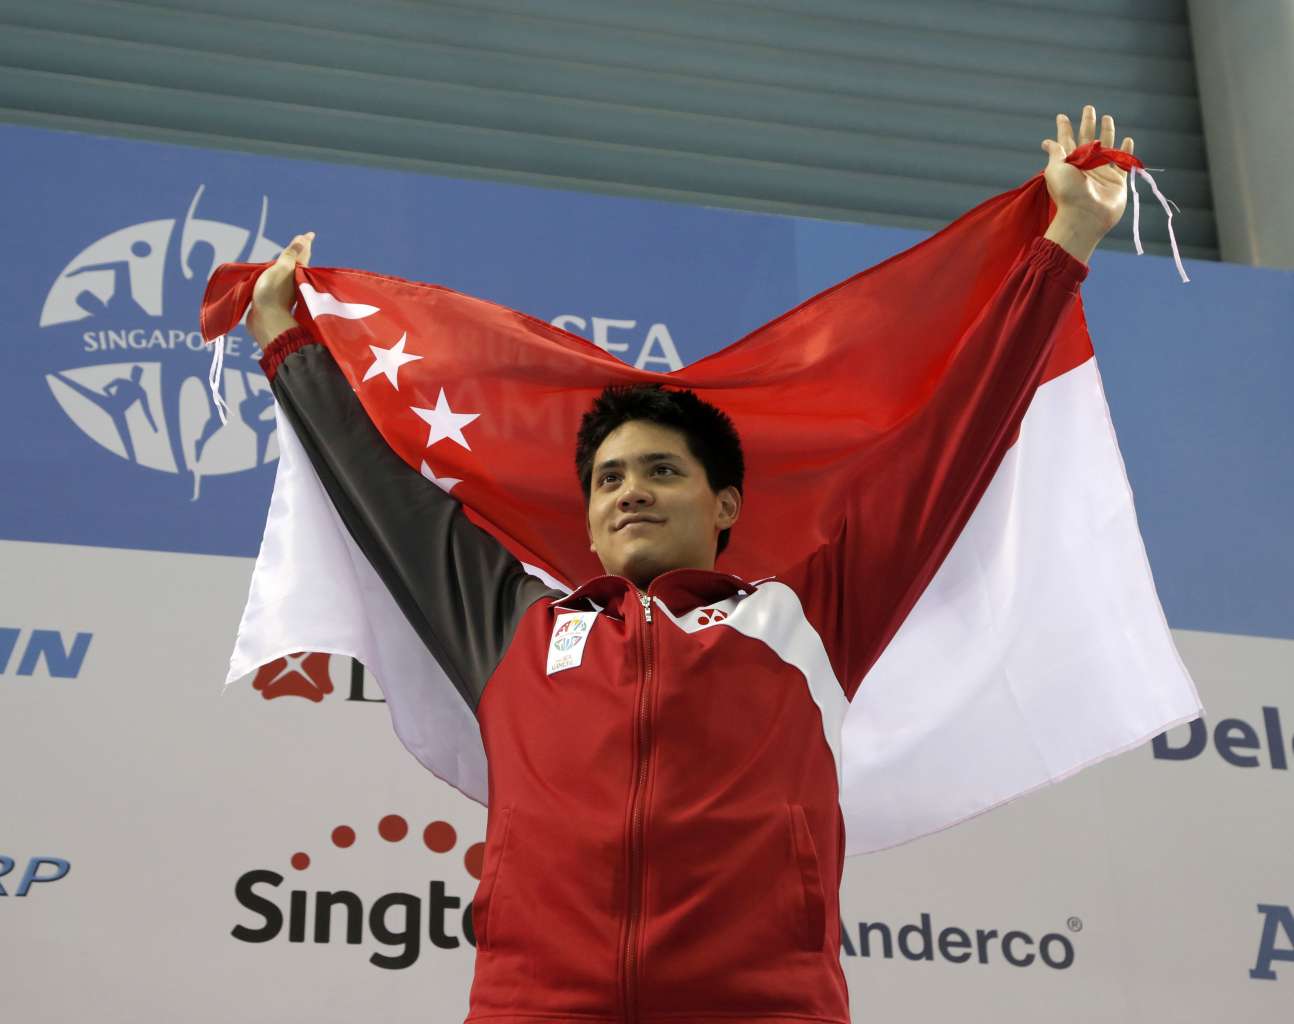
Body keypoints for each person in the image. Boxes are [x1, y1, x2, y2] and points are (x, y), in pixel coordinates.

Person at [245, 107, 1132, 1024]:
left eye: (663, 471)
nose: (631, 491)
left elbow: (952, 442)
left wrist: (1068, 237)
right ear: (587, 523)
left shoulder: (808, 619)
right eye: (609, 479)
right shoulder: (516, 630)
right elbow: (383, 495)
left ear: (725, 509)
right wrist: (284, 339)